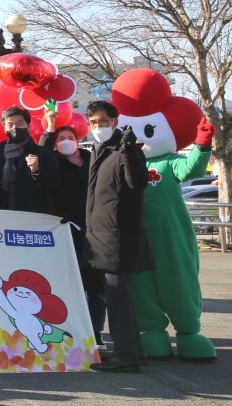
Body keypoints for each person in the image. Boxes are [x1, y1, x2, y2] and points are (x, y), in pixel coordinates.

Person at [83, 100, 154, 373]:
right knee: (118, 295)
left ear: (115, 120)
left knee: (117, 297)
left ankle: (126, 354)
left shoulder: (125, 148)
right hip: (100, 234)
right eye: (92, 123)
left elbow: (138, 182)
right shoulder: (97, 151)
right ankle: (134, 350)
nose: (97, 127)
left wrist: (127, 150)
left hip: (117, 235)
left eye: (102, 121)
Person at [40, 108, 106, 347]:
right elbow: (41, 152)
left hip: (95, 229)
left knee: (96, 287)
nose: (66, 142)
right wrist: (49, 126)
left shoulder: (92, 159)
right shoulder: (54, 163)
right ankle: (69, 332)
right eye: (61, 139)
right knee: (67, 282)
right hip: (66, 228)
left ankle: (95, 332)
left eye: (71, 138)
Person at [0, 106, 60, 214]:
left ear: (28, 126)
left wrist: (37, 172)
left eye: (19, 124)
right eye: (10, 125)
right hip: (5, 216)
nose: (14, 128)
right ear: (5, 129)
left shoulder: (43, 154)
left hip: (34, 217)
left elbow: (54, 186)